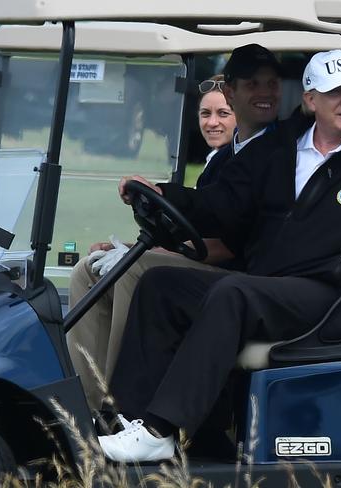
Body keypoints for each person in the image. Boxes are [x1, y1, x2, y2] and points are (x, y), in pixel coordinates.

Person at [98, 49, 341, 463]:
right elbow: (221, 204)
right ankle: (122, 422)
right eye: (335, 93)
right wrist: (165, 194)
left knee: (234, 293)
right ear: (311, 99)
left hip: (337, 298)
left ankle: (161, 429)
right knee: (161, 285)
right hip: (274, 288)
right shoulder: (279, 149)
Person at [66, 44, 284, 412]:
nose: (213, 122)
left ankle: (122, 406)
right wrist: (137, 244)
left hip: (240, 280)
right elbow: (198, 221)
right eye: (206, 114)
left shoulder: (270, 154)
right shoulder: (225, 161)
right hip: (213, 269)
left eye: (222, 114)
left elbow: (230, 245)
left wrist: (147, 253)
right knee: (86, 273)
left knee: (133, 270)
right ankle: (83, 404)